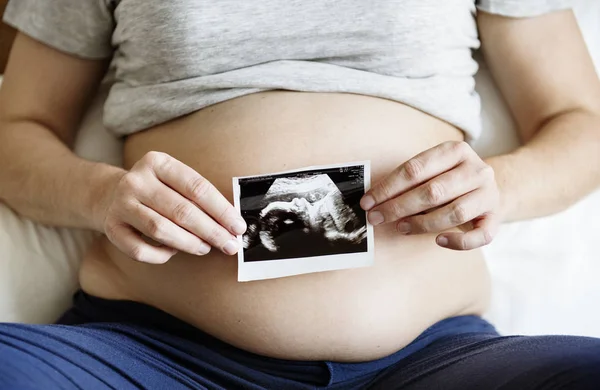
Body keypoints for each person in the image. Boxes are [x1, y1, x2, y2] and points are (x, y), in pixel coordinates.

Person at [0, 0, 599, 389]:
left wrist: (499, 187)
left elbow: (583, 123)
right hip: (150, 353)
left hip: (436, 361)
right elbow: (15, 127)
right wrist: (99, 195)